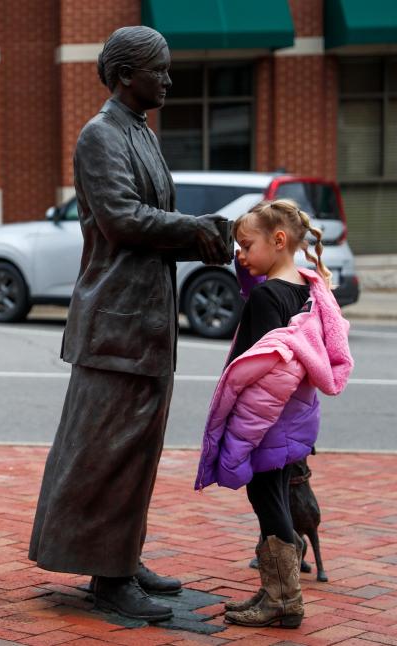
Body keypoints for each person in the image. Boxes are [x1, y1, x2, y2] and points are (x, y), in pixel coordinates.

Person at [28, 26, 233, 623]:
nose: (168, 80)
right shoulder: (101, 135)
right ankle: (109, 578)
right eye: (159, 70)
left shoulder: (137, 131)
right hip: (115, 322)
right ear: (124, 75)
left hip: (145, 321)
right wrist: (198, 231)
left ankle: (123, 555)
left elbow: (152, 216)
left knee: (137, 449)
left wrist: (201, 239)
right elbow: (122, 219)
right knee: (106, 451)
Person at [195, 199, 354, 628]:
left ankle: (284, 600)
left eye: (246, 246)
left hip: (267, 422)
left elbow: (265, 375)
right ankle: (274, 590)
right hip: (295, 418)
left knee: (266, 500)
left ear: (278, 240)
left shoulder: (268, 296)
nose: (240, 256)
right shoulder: (306, 289)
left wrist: (241, 435)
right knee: (276, 496)